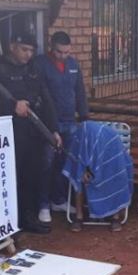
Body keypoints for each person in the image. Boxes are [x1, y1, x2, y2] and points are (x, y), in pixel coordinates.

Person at [0, 34, 61, 235]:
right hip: (8, 133)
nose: (28, 54)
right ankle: (9, 223)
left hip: (33, 132)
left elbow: (46, 98)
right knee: (10, 177)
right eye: (24, 49)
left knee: (32, 176)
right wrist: (12, 106)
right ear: (12, 46)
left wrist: (53, 129)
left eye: (31, 51)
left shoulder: (33, 69)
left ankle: (27, 218)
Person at [33, 31, 89, 223]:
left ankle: (58, 199)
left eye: (66, 52)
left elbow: (79, 91)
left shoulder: (73, 65)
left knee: (64, 164)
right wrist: (50, 125)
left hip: (70, 122)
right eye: (59, 52)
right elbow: (41, 96)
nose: (63, 56)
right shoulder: (40, 64)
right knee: (46, 163)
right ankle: (43, 204)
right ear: (51, 47)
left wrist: (84, 116)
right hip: (49, 124)